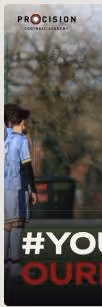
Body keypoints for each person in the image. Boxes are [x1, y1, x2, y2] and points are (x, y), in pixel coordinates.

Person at [4, 104, 38, 282]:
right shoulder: (21, 141)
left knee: (6, 226)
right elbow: (26, 167)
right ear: (22, 122)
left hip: (4, 188)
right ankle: (15, 266)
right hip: (17, 187)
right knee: (17, 225)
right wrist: (33, 190)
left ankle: (5, 265)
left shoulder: (6, 138)